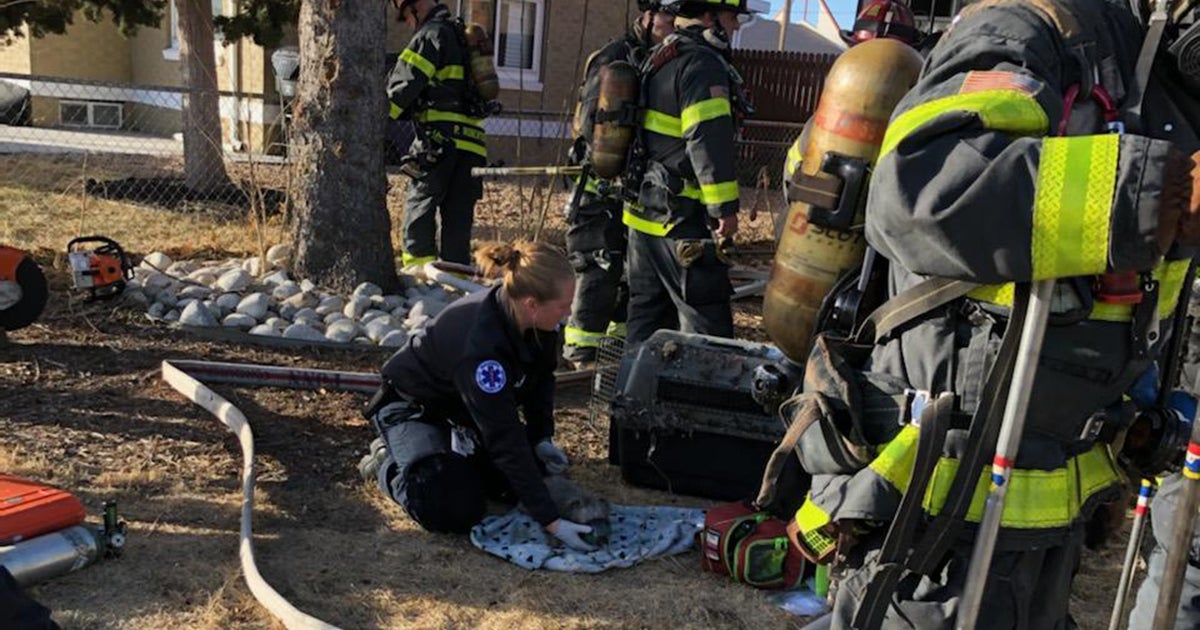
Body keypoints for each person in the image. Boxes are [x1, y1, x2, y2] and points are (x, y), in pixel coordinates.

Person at [783, 0, 1200, 627]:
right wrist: (1150, 193)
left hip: (1044, 516)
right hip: (939, 513)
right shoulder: (1033, 31)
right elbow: (921, 193)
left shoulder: (1165, 85)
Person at [358, 241, 597, 551]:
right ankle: (387, 465)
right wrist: (552, 522)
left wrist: (541, 438)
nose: (568, 313)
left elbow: (541, 382)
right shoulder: (481, 348)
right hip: (414, 407)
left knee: (519, 480)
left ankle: (455, 458)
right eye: (563, 305)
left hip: (464, 410)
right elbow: (503, 434)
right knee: (450, 505)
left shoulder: (536, 321)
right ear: (531, 304)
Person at [622, 0, 753, 347]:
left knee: (647, 317)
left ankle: (630, 397)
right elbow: (707, 141)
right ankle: (702, 400)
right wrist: (724, 209)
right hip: (685, 222)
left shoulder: (660, 57)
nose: (737, 26)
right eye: (732, 17)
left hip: (644, 216)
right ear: (710, 17)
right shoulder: (702, 64)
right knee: (705, 325)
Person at [561, 0, 675, 367]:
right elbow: (592, 119)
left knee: (627, 270)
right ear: (648, 15)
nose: (672, 24)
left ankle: (612, 354)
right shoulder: (614, 57)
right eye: (667, 16)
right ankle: (580, 351)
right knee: (597, 264)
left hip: (633, 185)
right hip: (598, 182)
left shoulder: (660, 60)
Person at [388, 0, 487, 268]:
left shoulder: (429, 35)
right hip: (474, 145)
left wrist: (377, 120)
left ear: (416, 8)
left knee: (421, 202)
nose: (408, 24)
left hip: (439, 141)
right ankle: (455, 276)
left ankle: (419, 271)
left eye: (406, 17)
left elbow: (401, 89)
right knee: (458, 214)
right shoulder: (463, 37)